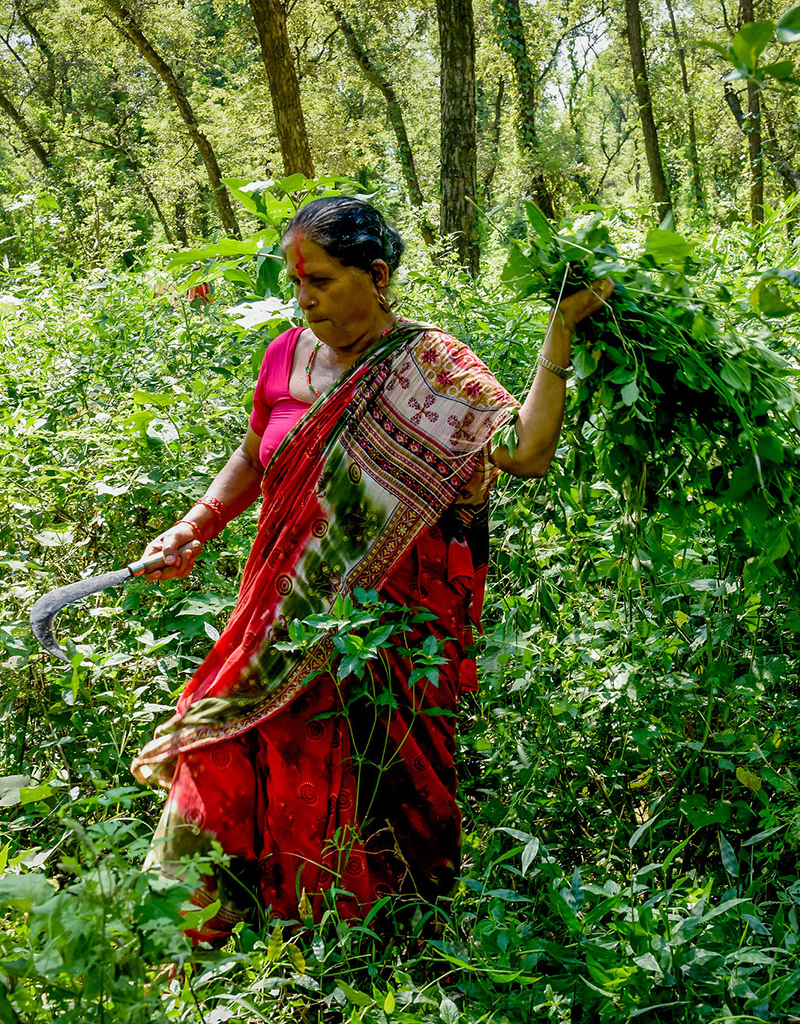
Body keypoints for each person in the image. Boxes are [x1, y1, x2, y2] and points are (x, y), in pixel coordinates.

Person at [129, 196, 611, 941]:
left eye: (319, 279)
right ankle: (195, 934)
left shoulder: (431, 364)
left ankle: (365, 947)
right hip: (281, 615)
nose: (305, 298)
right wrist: (194, 526)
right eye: (297, 284)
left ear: (377, 275)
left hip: (382, 633)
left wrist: (560, 333)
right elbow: (256, 452)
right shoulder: (285, 355)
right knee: (223, 743)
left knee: (373, 782)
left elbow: (525, 452)